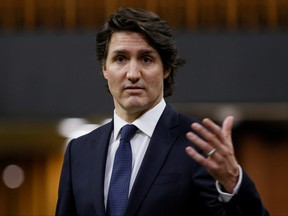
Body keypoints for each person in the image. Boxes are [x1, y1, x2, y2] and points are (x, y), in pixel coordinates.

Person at [56, 7, 269, 216]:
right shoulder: (79, 152)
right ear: (104, 68)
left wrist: (233, 182)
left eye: (146, 59)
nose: (132, 73)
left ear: (166, 68)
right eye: (120, 59)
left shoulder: (197, 144)